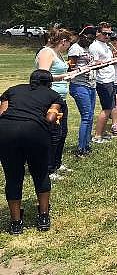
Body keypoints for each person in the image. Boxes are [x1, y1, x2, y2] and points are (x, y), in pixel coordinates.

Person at [0, 70, 64, 234]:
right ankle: (43, 216)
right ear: (49, 83)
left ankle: (16, 223)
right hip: (34, 132)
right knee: (40, 173)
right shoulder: (53, 95)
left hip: (6, 132)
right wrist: (54, 121)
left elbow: (2, 113)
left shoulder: (12, 90)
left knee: (12, 176)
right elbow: (50, 118)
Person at [36, 27, 74, 178]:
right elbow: (42, 76)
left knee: (62, 132)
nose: (69, 46)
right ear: (63, 41)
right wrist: (64, 76)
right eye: (69, 43)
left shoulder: (58, 54)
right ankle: (48, 168)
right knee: (53, 134)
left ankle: (57, 163)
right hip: (50, 100)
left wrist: (70, 74)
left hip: (60, 99)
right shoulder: (47, 52)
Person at [68, 26, 97, 158]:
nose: (90, 42)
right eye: (89, 38)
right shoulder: (75, 48)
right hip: (79, 85)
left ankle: (86, 145)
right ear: (83, 36)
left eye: (93, 39)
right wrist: (87, 68)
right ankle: (81, 148)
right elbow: (70, 69)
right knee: (86, 116)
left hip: (91, 85)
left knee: (90, 116)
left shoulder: (87, 49)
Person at [89, 22, 117, 143]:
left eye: (109, 34)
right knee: (107, 108)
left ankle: (102, 132)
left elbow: (107, 60)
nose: (107, 36)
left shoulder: (106, 45)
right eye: (105, 33)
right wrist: (107, 63)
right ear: (97, 33)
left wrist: (114, 59)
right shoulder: (94, 47)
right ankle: (97, 136)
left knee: (110, 107)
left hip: (110, 79)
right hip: (103, 81)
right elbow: (93, 64)